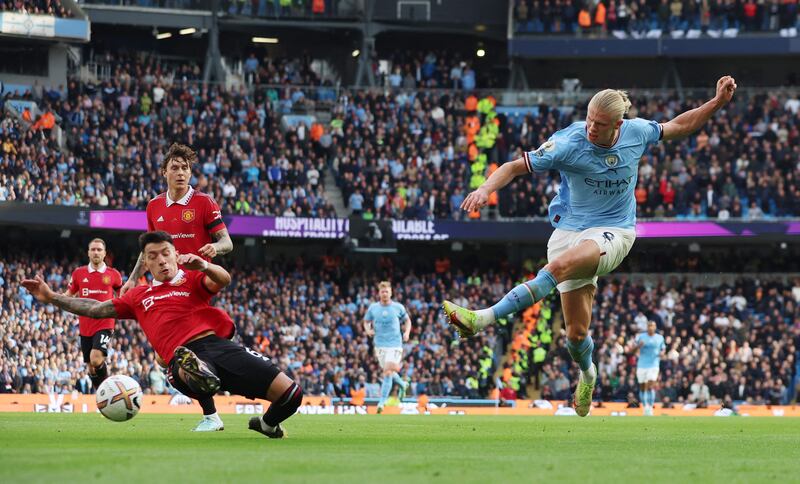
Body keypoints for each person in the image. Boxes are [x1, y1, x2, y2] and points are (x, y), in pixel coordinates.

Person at [443, 76, 737, 417]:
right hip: (568, 230)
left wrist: (716, 103)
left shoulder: (637, 133)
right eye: (589, 119)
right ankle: (588, 373)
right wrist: (484, 189)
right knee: (575, 335)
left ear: (618, 124)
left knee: (557, 268)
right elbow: (513, 167)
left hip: (615, 231)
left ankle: (481, 318)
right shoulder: (567, 142)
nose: (591, 127)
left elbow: (680, 125)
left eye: (599, 124)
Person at [22, 231, 301, 439]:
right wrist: (52, 297)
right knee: (183, 362)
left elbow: (223, 280)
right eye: (153, 257)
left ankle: (266, 425)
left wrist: (204, 265)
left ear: (175, 254)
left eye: (166, 253)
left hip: (219, 346)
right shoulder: (138, 296)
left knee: (292, 394)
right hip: (181, 357)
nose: (161, 260)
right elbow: (95, 308)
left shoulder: (191, 279)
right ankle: (198, 378)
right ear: (147, 264)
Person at [120, 142, 234, 432]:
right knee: (164, 357)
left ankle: (211, 413)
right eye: (175, 168)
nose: (181, 172)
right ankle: (211, 396)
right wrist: (133, 278)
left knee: (179, 351)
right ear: (164, 172)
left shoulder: (205, 203)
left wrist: (214, 249)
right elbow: (147, 250)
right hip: (163, 286)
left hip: (194, 286)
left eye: (185, 168)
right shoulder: (154, 206)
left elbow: (227, 242)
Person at [65, 238, 122, 391]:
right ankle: (101, 394)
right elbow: (68, 295)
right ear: (88, 253)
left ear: (104, 253)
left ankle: (109, 389)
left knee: (96, 359)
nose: (96, 252)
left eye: (99, 250)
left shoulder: (114, 274)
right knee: (91, 368)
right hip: (85, 325)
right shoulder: (78, 273)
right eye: (93, 249)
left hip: (105, 322)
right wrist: (52, 298)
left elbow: (123, 294)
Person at [363, 281, 411, 413]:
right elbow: (366, 321)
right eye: (382, 291)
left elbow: (407, 320)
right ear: (379, 293)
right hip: (379, 344)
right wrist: (368, 330)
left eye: (387, 291)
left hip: (395, 343)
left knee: (388, 372)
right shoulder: (373, 308)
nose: (385, 294)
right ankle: (402, 384)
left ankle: (381, 402)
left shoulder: (398, 307)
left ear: (391, 293)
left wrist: (407, 332)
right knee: (388, 371)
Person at [634, 321, 665, 416]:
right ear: (647, 327)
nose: (651, 327)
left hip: (653, 365)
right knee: (643, 388)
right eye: (649, 326)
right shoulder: (641, 337)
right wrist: (639, 346)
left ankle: (650, 407)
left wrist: (662, 353)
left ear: (655, 327)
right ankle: (645, 407)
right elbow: (633, 350)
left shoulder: (660, 338)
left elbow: (663, 349)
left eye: (652, 326)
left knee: (651, 385)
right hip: (642, 365)